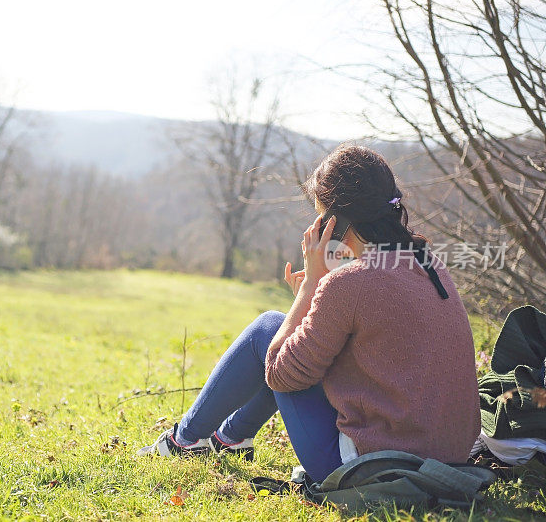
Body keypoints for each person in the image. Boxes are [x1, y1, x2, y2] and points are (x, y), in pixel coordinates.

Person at [137, 144, 481, 483]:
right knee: (284, 333)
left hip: (371, 467)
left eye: (321, 214)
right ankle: (230, 439)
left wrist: (310, 289)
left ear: (336, 221)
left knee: (268, 329)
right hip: (447, 458)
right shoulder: (427, 263)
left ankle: (183, 441)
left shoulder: (350, 283)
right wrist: (320, 298)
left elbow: (282, 374)